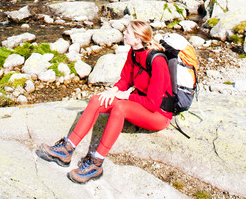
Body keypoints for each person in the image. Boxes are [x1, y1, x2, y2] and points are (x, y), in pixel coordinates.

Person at [38, 20, 173, 184]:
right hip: (140, 103)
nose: (124, 33)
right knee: (97, 100)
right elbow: (125, 80)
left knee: (121, 107)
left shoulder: (157, 61)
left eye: (127, 32)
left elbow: (153, 103)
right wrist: (113, 91)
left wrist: (126, 97)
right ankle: (67, 150)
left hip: (158, 115)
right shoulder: (134, 52)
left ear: (138, 38)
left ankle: (96, 164)